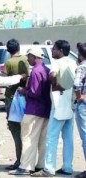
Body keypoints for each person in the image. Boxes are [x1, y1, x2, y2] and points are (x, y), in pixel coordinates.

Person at [31, 40, 77, 177]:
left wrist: (55, 84)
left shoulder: (57, 63)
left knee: (51, 137)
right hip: (70, 104)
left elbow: (53, 74)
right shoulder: (73, 62)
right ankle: (67, 167)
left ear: (60, 51)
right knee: (68, 138)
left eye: (54, 49)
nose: (52, 51)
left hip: (58, 105)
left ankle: (49, 168)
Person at [9, 48, 51, 175]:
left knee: (28, 137)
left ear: (34, 56)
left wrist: (24, 91)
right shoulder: (46, 70)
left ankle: (26, 166)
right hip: (45, 109)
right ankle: (40, 165)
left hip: (33, 109)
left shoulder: (36, 72)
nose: (27, 59)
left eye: (29, 57)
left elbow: (34, 92)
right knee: (42, 139)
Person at [2, 39, 30, 170]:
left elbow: (5, 81)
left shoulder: (8, 63)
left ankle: (19, 160)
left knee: (15, 130)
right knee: (27, 130)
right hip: (26, 97)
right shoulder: (25, 59)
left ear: (8, 50)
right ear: (19, 47)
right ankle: (27, 159)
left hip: (12, 99)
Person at [72, 43, 86, 178]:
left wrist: (79, 96)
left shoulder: (82, 67)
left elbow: (76, 84)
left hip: (83, 105)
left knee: (85, 137)